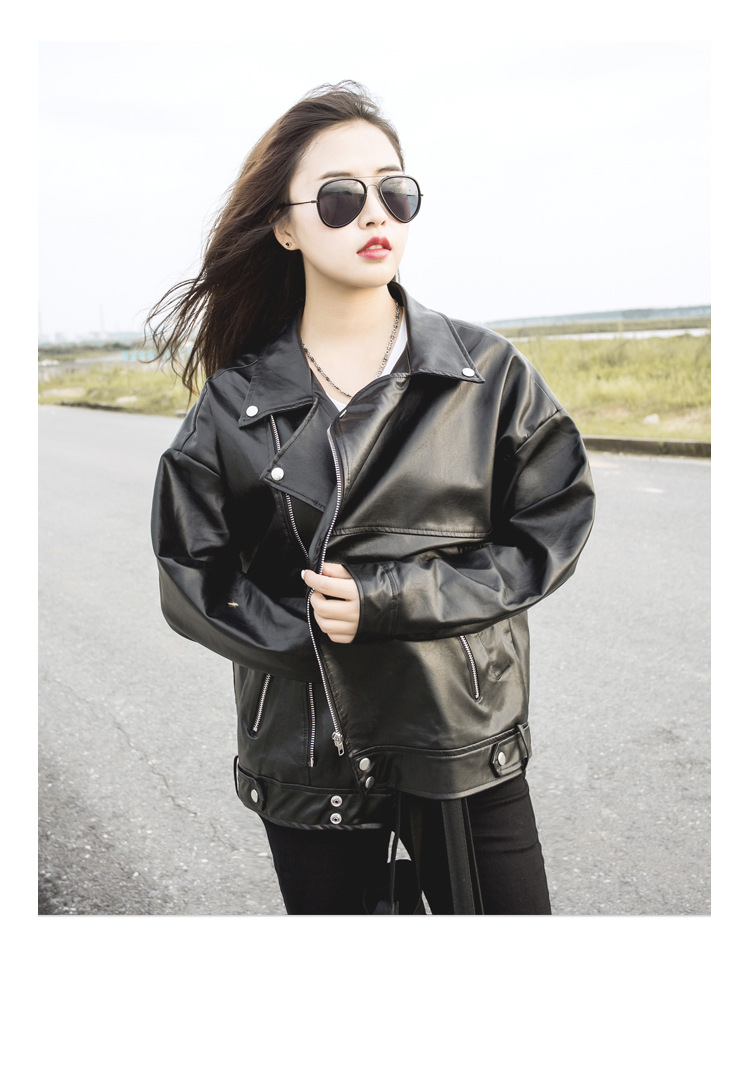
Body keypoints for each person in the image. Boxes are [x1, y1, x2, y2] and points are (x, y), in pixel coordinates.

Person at [149, 81, 595, 915]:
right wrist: (316, 635)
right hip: (309, 749)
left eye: (394, 191)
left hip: (461, 731)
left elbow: (553, 520)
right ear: (284, 226)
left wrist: (392, 601)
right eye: (340, 197)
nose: (374, 215)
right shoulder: (237, 401)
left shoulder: (485, 374)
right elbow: (190, 572)